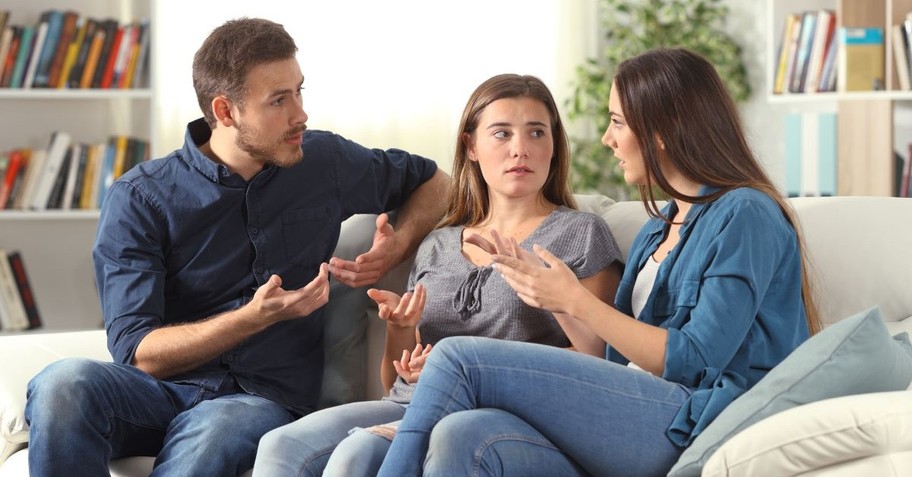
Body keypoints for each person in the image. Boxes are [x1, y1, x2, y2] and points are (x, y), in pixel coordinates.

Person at [23, 17, 449, 477]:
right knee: (61, 384)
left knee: (216, 426)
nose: (300, 114)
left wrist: (398, 245)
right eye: (279, 101)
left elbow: (437, 181)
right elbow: (137, 351)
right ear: (225, 112)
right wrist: (253, 318)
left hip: (260, 400)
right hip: (159, 393)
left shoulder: (324, 162)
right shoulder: (141, 197)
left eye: (299, 91)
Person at [376, 47, 823, 477]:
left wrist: (578, 300)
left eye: (617, 122)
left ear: (661, 130)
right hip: (635, 410)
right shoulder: (656, 229)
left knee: (456, 358)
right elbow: (611, 358)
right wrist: (552, 296)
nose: (608, 139)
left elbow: (696, 359)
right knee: (460, 434)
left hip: (698, 417)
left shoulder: (745, 213)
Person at [251, 73, 624, 477]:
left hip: (497, 414)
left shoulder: (580, 233)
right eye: (501, 134)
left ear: (554, 145)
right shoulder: (438, 243)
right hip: (410, 401)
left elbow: (601, 362)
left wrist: (469, 371)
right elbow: (394, 378)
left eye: (537, 133)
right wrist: (401, 329)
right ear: (472, 146)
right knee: (280, 444)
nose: (521, 149)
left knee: (357, 453)